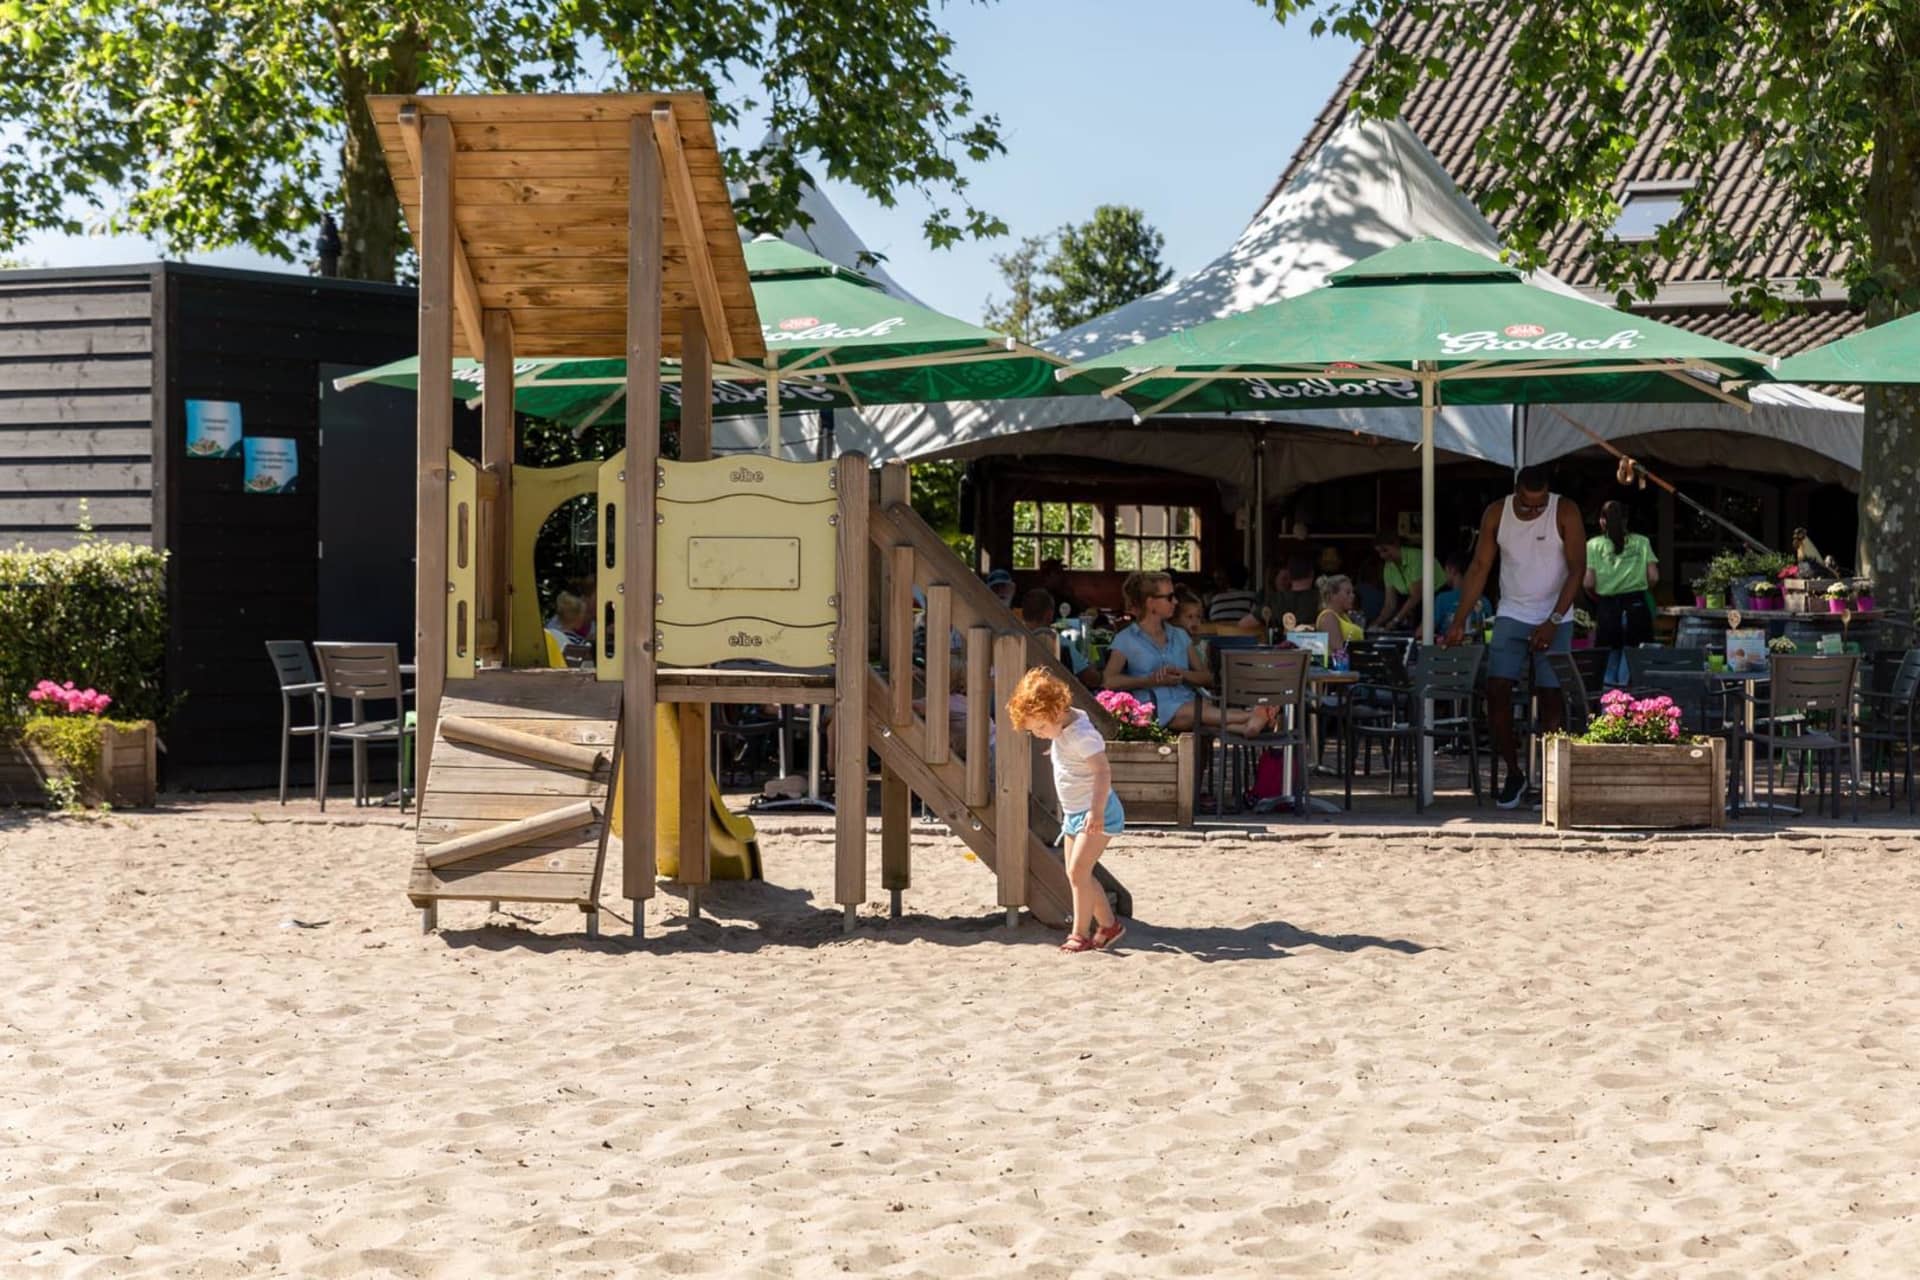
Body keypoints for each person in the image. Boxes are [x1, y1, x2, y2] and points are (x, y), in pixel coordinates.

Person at [1444, 465, 1587, 808]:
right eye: (1528, 504)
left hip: (1556, 613)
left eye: (1541, 504)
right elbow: (1480, 567)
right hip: (1512, 612)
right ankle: (1514, 772)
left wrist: (1553, 620)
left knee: (1551, 697)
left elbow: (1577, 569)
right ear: (1515, 492)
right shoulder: (1497, 513)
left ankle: (1551, 778)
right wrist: (1459, 619)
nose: (1535, 510)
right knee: (1496, 691)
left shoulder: (1565, 510)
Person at [1006, 666, 1125, 953]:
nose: (1038, 734)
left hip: (1096, 811)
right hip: (1075, 813)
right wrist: (1058, 748)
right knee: (1077, 874)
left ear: (1057, 711)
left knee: (1078, 871)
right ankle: (1108, 925)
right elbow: (1067, 743)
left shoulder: (1082, 735)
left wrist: (1096, 812)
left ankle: (1079, 934)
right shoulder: (1065, 726)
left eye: (1040, 728)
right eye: (1034, 731)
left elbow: (1102, 772)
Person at [1102, 570, 1276, 735]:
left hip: (1188, 703)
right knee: (1197, 712)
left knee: (1198, 714)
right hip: (1154, 708)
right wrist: (1149, 680)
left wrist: (1182, 674)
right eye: (1169, 597)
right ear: (1151, 603)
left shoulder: (1180, 635)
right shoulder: (1126, 639)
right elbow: (1109, 680)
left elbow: (1206, 678)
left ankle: (1248, 726)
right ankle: (1254, 716)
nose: (1176, 602)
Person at [1584, 501, 1658, 686]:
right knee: (1632, 657)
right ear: (1626, 520)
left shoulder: (1593, 545)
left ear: (1602, 521)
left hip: (1608, 606)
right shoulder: (1642, 542)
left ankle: (1610, 701)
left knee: (1609, 659)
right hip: (1636, 605)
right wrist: (1638, 587)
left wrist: (1598, 597)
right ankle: (1626, 696)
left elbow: (1588, 582)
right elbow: (1654, 577)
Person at [1370, 530, 1432, 630]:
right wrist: (1374, 625)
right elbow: (1390, 604)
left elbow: (1416, 595)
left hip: (1434, 602)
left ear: (1396, 544)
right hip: (1413, 607)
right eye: (1379, 552)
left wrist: (1395, 620)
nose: (1382, 556)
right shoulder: (1388, 567)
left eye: (1385, 550)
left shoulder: (1415, 557)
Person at [1431, 553, 1489, 636]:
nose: (1444, 575)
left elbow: (1424, 631)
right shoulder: (1485, 601)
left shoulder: (1442, 599)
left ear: (1452, 570)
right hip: (1478, 644)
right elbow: (1489, 632)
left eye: (1445, 571)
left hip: (1449, 643)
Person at [1313, 574, 1365, 664]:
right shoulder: (1328, 617)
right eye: (1348, 593)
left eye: (1352, 592)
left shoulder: (1344, 617)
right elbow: (1339, 651)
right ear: (1333, 595)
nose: (1353, 596)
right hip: (1341, 669)